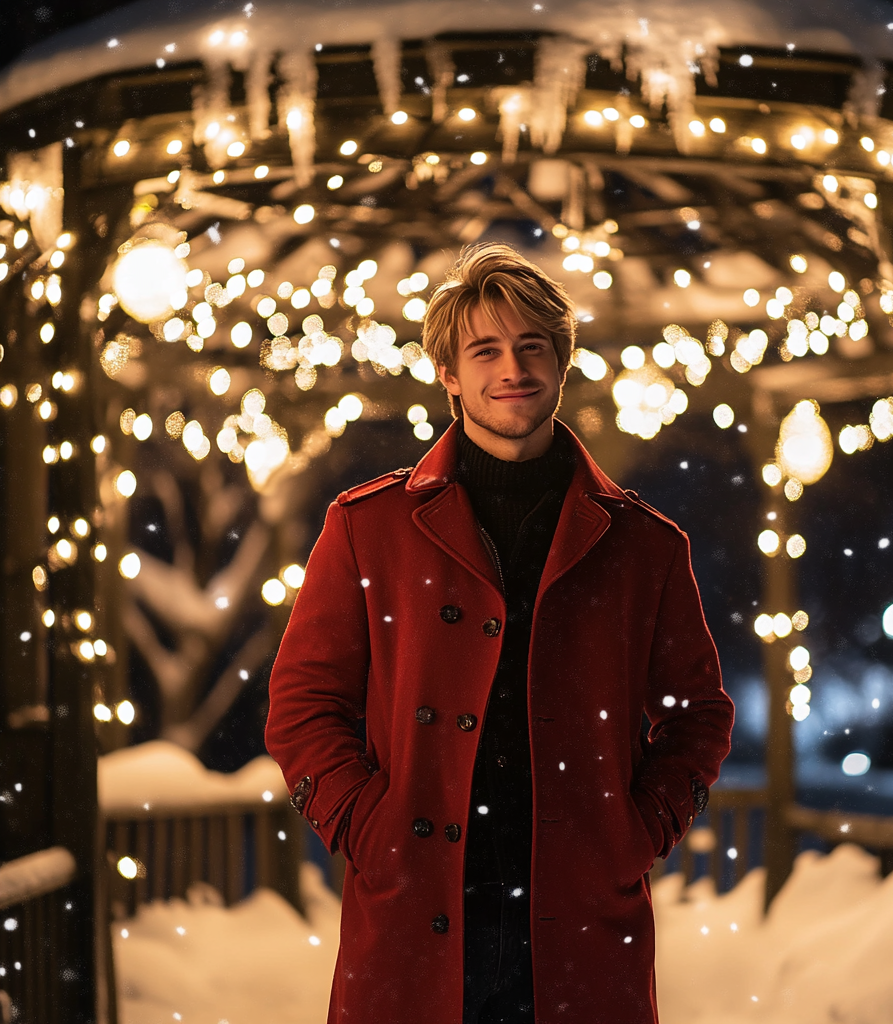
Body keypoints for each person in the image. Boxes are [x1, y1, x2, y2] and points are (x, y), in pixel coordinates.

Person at [264, 242, 734, 1024]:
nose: (510, 367)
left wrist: (636, 832)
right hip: (415, 903)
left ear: (561, 361)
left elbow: (699, 716)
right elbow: (302, 704)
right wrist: (365, 825)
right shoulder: (366, 528)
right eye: (484, 350)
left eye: (531, 346)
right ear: (449, 373)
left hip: (581, 914)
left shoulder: (645, 545)